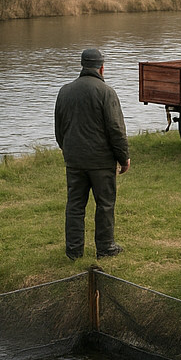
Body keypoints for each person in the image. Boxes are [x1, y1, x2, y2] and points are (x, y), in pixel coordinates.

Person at [54, 47, 131, 260]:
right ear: (102, 67)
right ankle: (105, 248)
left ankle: (73, 251)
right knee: (105, 205)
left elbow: (59, 129)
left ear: (82, 65)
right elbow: (116, 130)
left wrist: (67, 150)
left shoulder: (65, 91)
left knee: (75, 206)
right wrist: (123, 157)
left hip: (74, 160)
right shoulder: (106, 92)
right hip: (101, 162)